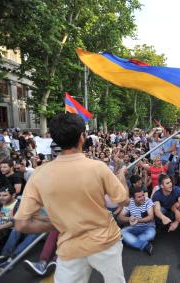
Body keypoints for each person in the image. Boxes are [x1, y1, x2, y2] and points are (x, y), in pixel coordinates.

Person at [14, 113, 129, 283]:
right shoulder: (98, 168)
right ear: (82, 137)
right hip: (105, 242)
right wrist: (121, 178)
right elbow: (123, 200)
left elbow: (21, 223)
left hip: (70, 247)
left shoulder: (39, 174)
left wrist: (58, 224)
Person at [119, 187, 156, 255]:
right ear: (133, 198)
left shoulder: (148, 201)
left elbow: (151, 217)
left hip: (148, 226)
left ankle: (131, 241)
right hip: (134, 227)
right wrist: (129, 218)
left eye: (143, 195)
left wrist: (138, 220)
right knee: (122, 232)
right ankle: (145, 245)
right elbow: (120, 216)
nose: (142, 198)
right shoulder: (129, 202)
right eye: (139, 197)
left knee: (151, 234)